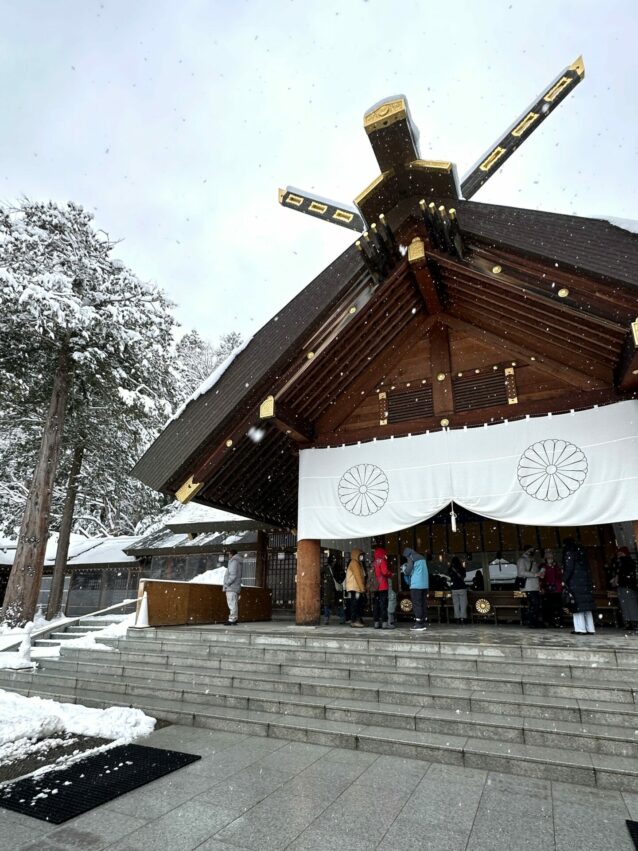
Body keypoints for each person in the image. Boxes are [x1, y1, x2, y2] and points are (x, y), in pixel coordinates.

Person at [562, 538, 595, 635]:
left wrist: (564, 580)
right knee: (587, 607)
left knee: (577, 606)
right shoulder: (582, 553)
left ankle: (580, 629)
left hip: (575, 582)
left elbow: (569, 568)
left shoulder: (569, 553)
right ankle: (590, 628)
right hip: (584, 582)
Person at [517, 544, 544, 628]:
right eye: (531, 550)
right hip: (528, 586)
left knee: (535, 605)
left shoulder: (532, 560)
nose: (532, 552)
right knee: (534, 604)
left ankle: (534, 621)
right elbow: (521, 573)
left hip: (534, 586)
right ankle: (532, 622)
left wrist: (539, 574)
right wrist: (536, 574)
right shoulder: (522, 560)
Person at [403, 547, 429, 632]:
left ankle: (418, 624)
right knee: (423, 603)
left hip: (416, 585)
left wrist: (404, 569)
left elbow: (408, 571)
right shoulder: (422, 557)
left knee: (416, 604)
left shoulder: (412, 557)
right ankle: (423, 621)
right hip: (424, 584)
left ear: (408, 555)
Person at [614, 547, 638, 631]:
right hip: (627, 585)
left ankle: (631, 622)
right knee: (628, 604)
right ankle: (631, 622)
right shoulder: (626, 562)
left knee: (628, 604)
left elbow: (622, 572)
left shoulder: (623, 562)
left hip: (626, 585)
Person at [371, 545, 393, 629]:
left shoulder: (374, 562)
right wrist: (390, 573)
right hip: (382, 586)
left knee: (376, 604)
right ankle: (384, 623)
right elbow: (384, 572)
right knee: (383, 604)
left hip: (375, 586)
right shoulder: (382, 561)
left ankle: (376, 623)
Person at [540, 549, 563, 628]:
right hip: (547, 589)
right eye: (547, 554)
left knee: (557, 606)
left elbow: (560, 575)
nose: (549, 556)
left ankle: (557, 622)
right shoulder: (543, 566)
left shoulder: (557, 565)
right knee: (547, 606)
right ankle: (548, 621)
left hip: (557, 589)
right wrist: (542, 587)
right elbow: (541, 577)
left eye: (550, 554)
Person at [345, 547, 366, 628]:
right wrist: (362, 588)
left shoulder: (356, 563)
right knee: (356, 604)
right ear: (356, 555)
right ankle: (354, 620)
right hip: (355, 587)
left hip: (356, 586)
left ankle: (356, 620)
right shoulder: (354, 563)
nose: (362, 557)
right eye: (360, 555)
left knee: (356, 603)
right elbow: (358, 577)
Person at [223, 549, 242, 625]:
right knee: (234, 603)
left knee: (231, 603)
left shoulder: (233, 562)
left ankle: (232, 619)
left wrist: (227, 583)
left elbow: (233, 575)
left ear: (231, 554)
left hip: (231, 586)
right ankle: (234, 618)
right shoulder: (237, 562)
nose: (228, 556)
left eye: (229, 554)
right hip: (235, 586)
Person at [449, 556, 467, 624]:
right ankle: (463, 618)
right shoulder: (462, 568)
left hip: (454, 588)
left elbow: (451, 576)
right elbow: (464, 576)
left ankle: (457, 618)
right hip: (462, 587)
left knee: (456, 604)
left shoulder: (450, 569)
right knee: (463, 603)